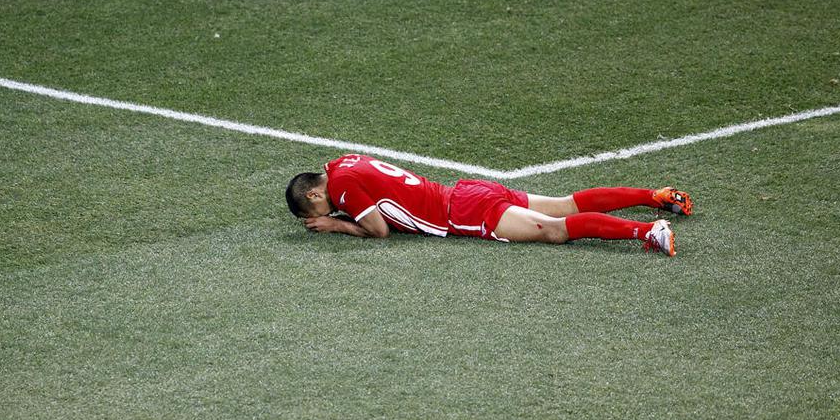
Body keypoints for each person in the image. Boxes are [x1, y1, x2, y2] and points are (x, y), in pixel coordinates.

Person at [286, 154, 693, 256]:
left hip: (461, 212)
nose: (326, 214)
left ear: (315, 195)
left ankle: (649, 231)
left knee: (553, 231)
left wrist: (338, 225)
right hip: (468, 191)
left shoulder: (341, 188)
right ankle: (654, 197)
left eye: (316, 212)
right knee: (564, 205)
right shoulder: (341, 163)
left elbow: (379, 230)